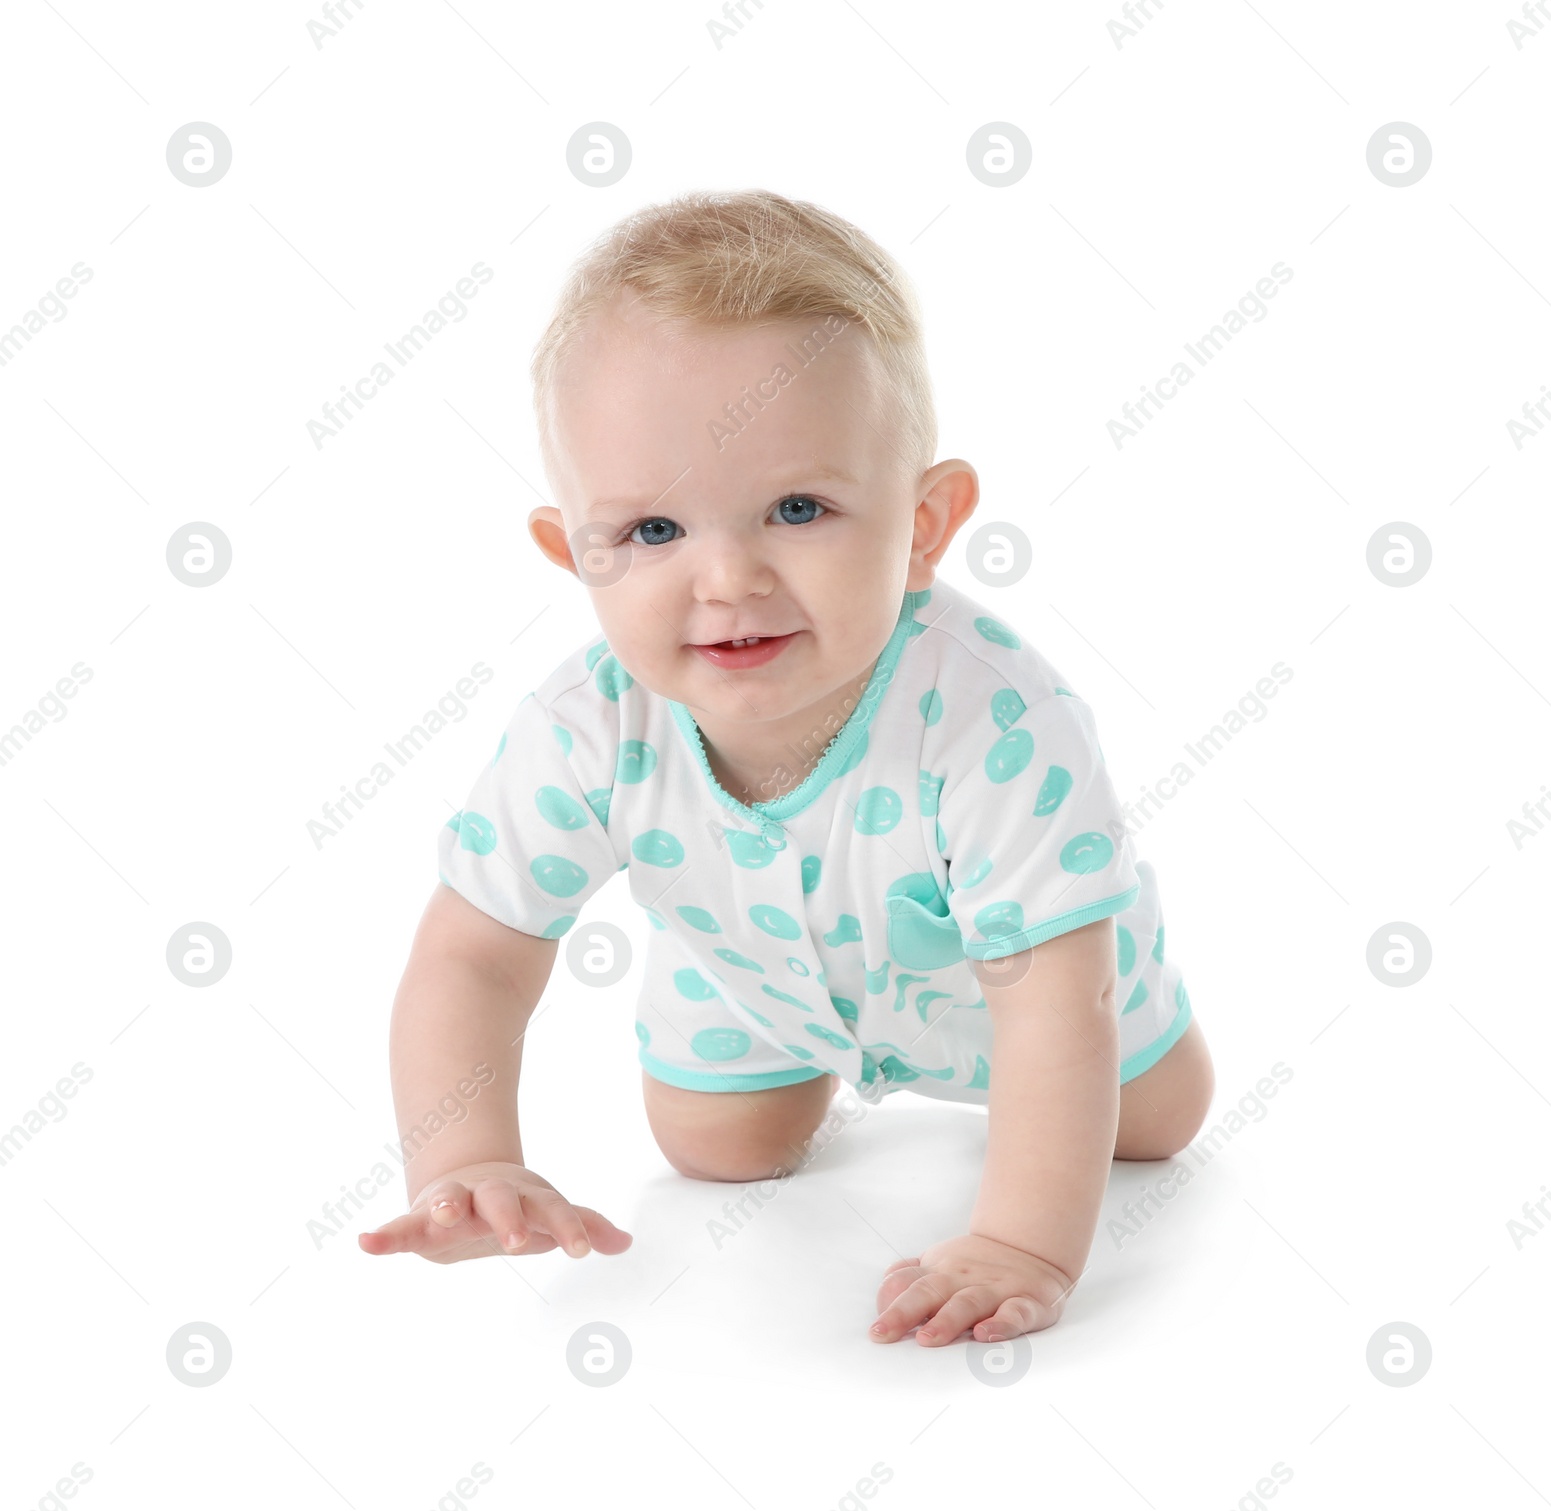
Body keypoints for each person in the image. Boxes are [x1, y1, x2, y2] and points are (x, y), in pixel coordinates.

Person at [359, 188, 1215, 1347]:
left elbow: (1056, 1002)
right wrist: (465, 1161)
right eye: (653, 532)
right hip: (750, 975)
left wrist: (1018, 1240)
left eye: (797, 507)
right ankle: (788, 1066)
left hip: (1034, 993)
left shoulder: (995, 720)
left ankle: (1132, 1076)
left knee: (1154, 1121)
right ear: (573, 554)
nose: (726, 579)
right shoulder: (585, 726)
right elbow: (474, 954)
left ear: (922, 524)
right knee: (717, 1150)